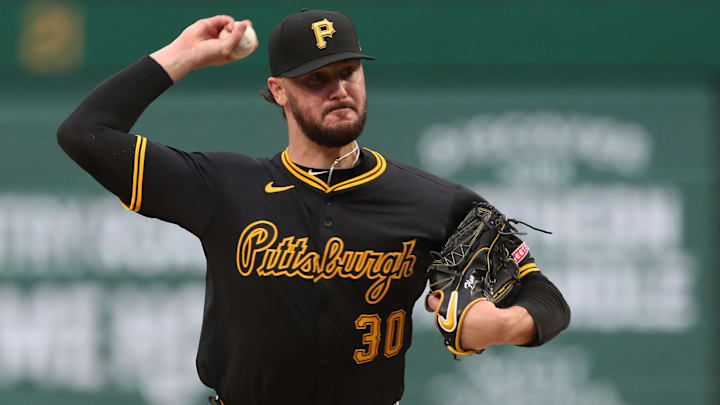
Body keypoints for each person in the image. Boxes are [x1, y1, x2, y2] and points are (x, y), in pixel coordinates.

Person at [57, 9, 570, 405]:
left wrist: (503, 325)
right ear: (279, 91)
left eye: (348, 72)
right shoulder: (222, 186)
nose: (338, 89)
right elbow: (85, 134)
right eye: (316, 80)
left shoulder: (436, 202)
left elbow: (545, 296)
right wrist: (182, 56)